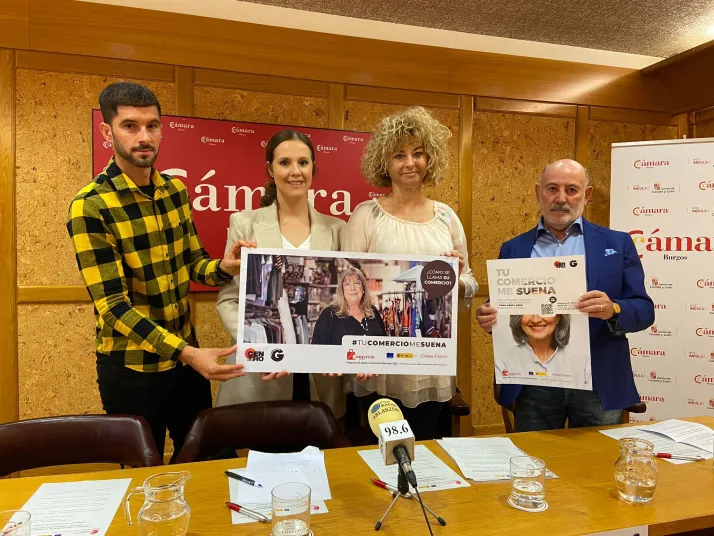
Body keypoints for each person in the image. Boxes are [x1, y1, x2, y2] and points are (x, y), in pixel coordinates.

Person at [66, 82, 246, 460]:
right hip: (131, 368)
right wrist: (188, 354)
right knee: (143, 467)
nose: (144, 137)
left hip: (184, 362)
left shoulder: (174, 191)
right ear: (107, 132)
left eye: (152, 125)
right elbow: (113, 307)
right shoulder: (91, 205)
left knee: (207, 458)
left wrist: (224, 267)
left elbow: (194, 263)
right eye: (130, 126)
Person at [477, 158, 654, 432]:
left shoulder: (617, 244)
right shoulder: (513, 248)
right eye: (552, 189)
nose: (561, 199)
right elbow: (503, 307)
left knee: (595, 457)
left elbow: (644, 310)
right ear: (538, 192)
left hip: (597, 382)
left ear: (587, 194)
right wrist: (489, 316)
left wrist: (614, 309)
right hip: (534, 382)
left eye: (571, 189)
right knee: (535, 455)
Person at [342, 106, 477, 440]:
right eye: (399, 155)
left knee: (428, 446)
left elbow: (469, 283)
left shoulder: (447, 217)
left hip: (430, 358)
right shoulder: (366, 215)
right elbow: (347, 284)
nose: (410, 163)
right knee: (379, 450)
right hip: (379, 360)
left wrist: (456, 279)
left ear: (430, 159)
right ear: (384, 163)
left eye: (418, 153)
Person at [215, 129, 346, 419]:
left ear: (312, 168)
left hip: (319, 374)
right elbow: (228, 300)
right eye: (285, 163)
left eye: (303, 162)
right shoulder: (244, 223)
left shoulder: (337, 229)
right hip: (262, 374)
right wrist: (260, 343)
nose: (295, 171)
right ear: (270, 170)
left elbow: (344, 303)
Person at [495, 314, 591, 390]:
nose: (535, 320)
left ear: (558, 317)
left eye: (544, 309)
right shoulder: (504, 362)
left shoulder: (582, 363)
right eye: (528, 310)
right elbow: (506, 401)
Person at [311, 267, 386, 345]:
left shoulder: (372, 311)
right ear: (341, 290)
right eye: (347, 284)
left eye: (357, 283)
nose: (352, 288)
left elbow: (384, 344)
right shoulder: (328, 315)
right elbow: (317, 348)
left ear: (363, 288)